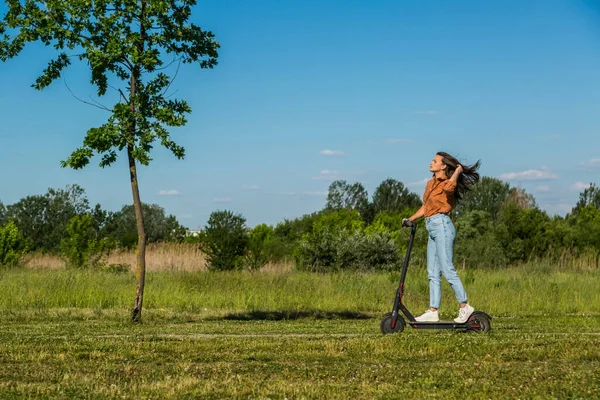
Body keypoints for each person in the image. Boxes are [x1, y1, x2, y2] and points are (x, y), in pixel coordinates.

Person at [403, 151, 481, 323]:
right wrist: (410, 219)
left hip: (442, 226)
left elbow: (449, 188)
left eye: (435, 161)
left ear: (443, 166)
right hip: (431, 227)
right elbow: (426, 207)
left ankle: (465, 307)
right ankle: (433, 311)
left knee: (447, 268)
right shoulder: (430, 183)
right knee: (432, 271)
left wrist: (457, 172)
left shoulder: (447, 183)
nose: (431, 163)